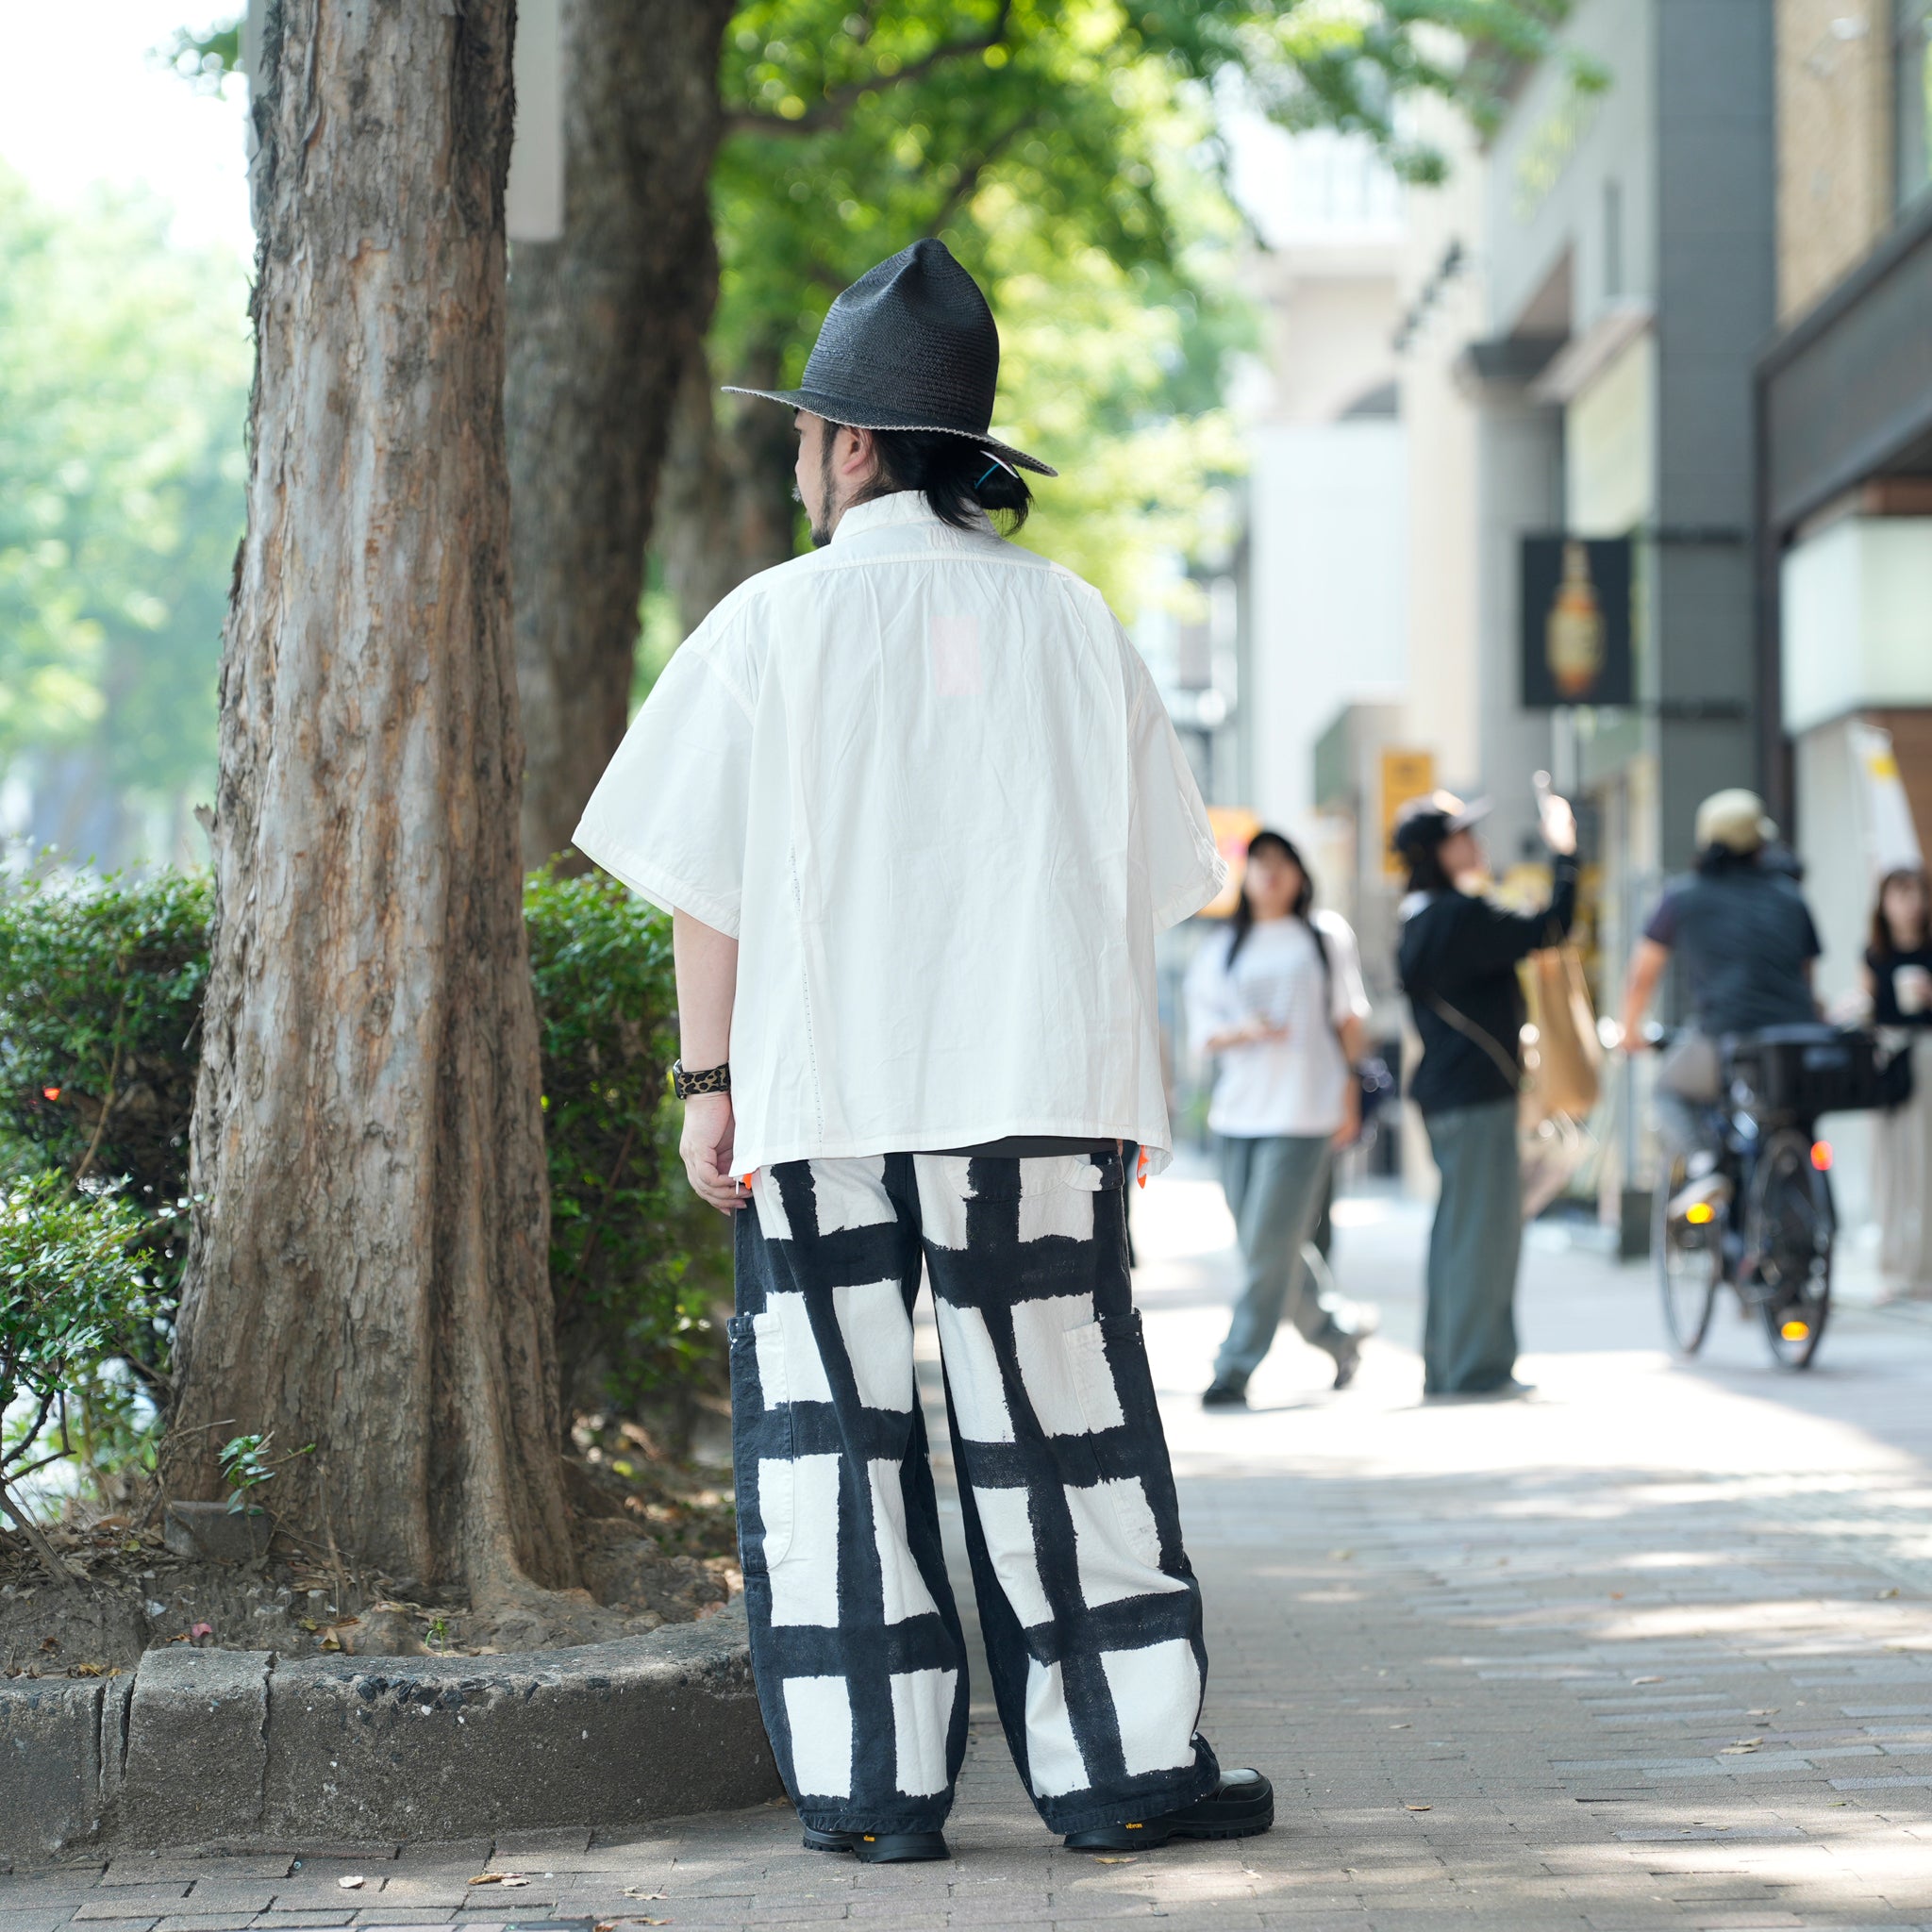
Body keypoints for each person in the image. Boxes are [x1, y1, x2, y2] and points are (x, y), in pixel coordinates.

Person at [574, 241, 1272, 1865]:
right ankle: (1117, 1766)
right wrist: (1131, 1089)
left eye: (808, 436)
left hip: (821, 1093)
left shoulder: (768, 625)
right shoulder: (1072, 619)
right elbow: (1144, 881)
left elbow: (706, 882)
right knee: (1063, 1424)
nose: (797, 465)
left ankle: (873, 1789)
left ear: (857, 446)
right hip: (1038, 1090)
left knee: (830, 1428)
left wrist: (705, 1086)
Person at [1394, 786, 1578, 1399]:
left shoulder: (1423, 917)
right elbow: (1552, 926)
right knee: (1484, 1233)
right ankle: (1477, 1371)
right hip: (1475, 1097)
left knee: (1461, 1231)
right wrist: (1566, 855)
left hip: (1452, 1096)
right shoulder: (1456, 917)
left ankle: (1452, 1365)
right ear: (1435, 852)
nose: (1475, 844)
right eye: (1461, 836)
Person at [1184, 830, 1378, 1405]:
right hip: (1238, 1116)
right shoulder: (1224, 945)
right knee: (1268, 1246)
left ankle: (1234, 1367)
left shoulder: (1323, 935)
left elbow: (1350, 1020)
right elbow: (1203, 1032)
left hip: (1304, 1113)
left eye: (1283, 863)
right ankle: (1338, 1335)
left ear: (1300, 874)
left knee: (1268, 1245)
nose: (1271, 874)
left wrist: (1350, 1094)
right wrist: (1245, 1032)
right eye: (1261, 863)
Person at [1618, 789, 1821, 1156]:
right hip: (1795, 1043)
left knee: (1668, 1090)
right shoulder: (1791, 896)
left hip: (1725, 1038)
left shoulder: (1681, 897)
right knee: (1798, 1124)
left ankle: (1702, 1166)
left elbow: (1642, 975)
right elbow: (1806, 978)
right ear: (1760, 844)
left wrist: (1629, 1030)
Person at [1866, 866, 1932, 1298]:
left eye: (1914, 894)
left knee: (1924, 1162)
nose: (1907, 904)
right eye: (1898, 894)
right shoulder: (1875, 953)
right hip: (1886, 1056)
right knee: (1885, 1165)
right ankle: (1891, 1266)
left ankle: (1923, 1268)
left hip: (1926, 1053)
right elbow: (1868, 1005)